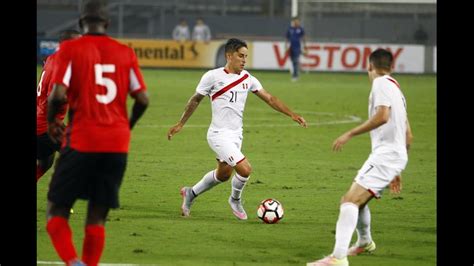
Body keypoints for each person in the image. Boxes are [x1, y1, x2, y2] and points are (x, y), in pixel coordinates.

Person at [45, 0, 149, 265]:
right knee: (97, 216)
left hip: (82, 140)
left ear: (81, 23)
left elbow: (57, 95)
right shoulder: (125, 53)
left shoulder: (71, 49)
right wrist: (127, 126)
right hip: (116, 144)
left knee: (56, 211)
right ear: (108, 24)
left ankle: (73, 261)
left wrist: (51, 122)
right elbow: (143, 99)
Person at [167, 38, 307, 220]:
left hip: (236, 135)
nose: (244, 60)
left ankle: (190, 193)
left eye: (246, 57)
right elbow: (195, 100)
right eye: (241, 56)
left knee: (223, 175)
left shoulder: (248, 79)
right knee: (245, 169)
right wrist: (180, 123)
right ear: (229, 56)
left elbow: (270, 98)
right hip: (218, 135)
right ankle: (235, 199)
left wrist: (292, 114)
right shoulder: (212, 77)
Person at [307, 48, 413, 266]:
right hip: (393, 156)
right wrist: (397, 168)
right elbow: (408, 134)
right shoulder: (397, 89)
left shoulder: (381, 83)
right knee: (360, 201)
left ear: (369, 66)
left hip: (386, 156)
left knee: (349, 201)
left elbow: (383, 116)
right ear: (392, 67)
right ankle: (364, 241)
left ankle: (337, 258)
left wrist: (350, 133)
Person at [37, 29, 81, 183]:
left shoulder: (52, 58)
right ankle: (61, 202)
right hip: (44, 127)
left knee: (46, 162)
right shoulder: (62, 64)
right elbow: (54, 98)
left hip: (42, 121)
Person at [285, 16, 307, 82]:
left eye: (298, 21)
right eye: (295, 21)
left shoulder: (300, 29)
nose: (297, 22)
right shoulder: (290, 29)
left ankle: (295, 76)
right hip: (291, 47)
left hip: (297, 47)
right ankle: (296, 74)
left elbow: (304, 37)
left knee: (295, 61)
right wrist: (286, 47)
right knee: (293, 62)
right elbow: (287, 38)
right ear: (293, 22)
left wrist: (305, 46)